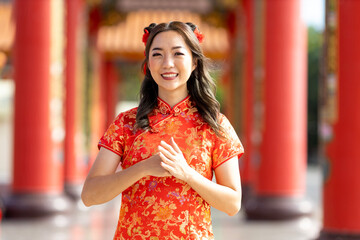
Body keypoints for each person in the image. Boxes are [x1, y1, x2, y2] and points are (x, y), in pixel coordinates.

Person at [81, 21, 244, 240]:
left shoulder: (214, 124)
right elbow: (89, 195)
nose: (167, 63)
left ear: (194, 62)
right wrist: (142, 168)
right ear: (148, 64)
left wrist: (187, 174)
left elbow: (233, 204)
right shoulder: (127, 123)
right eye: (157, 54)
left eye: (178, 53)